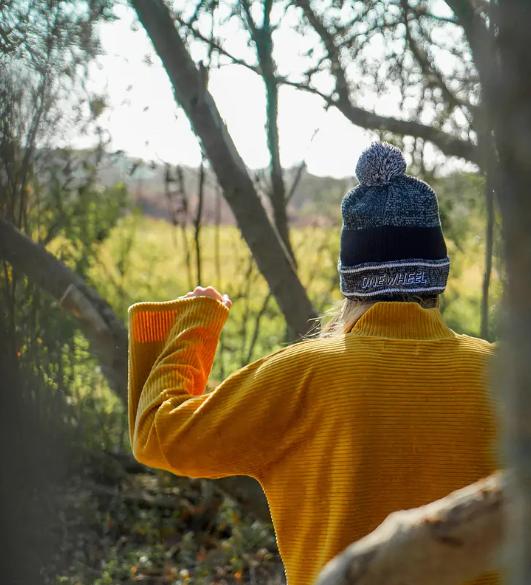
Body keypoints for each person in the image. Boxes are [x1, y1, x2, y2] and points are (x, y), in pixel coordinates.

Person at [128, 142, 498, 585]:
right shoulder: (510, 378)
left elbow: (156, 433)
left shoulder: (304, 374)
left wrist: (193, 326)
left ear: (351, 278)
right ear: (439, 274)